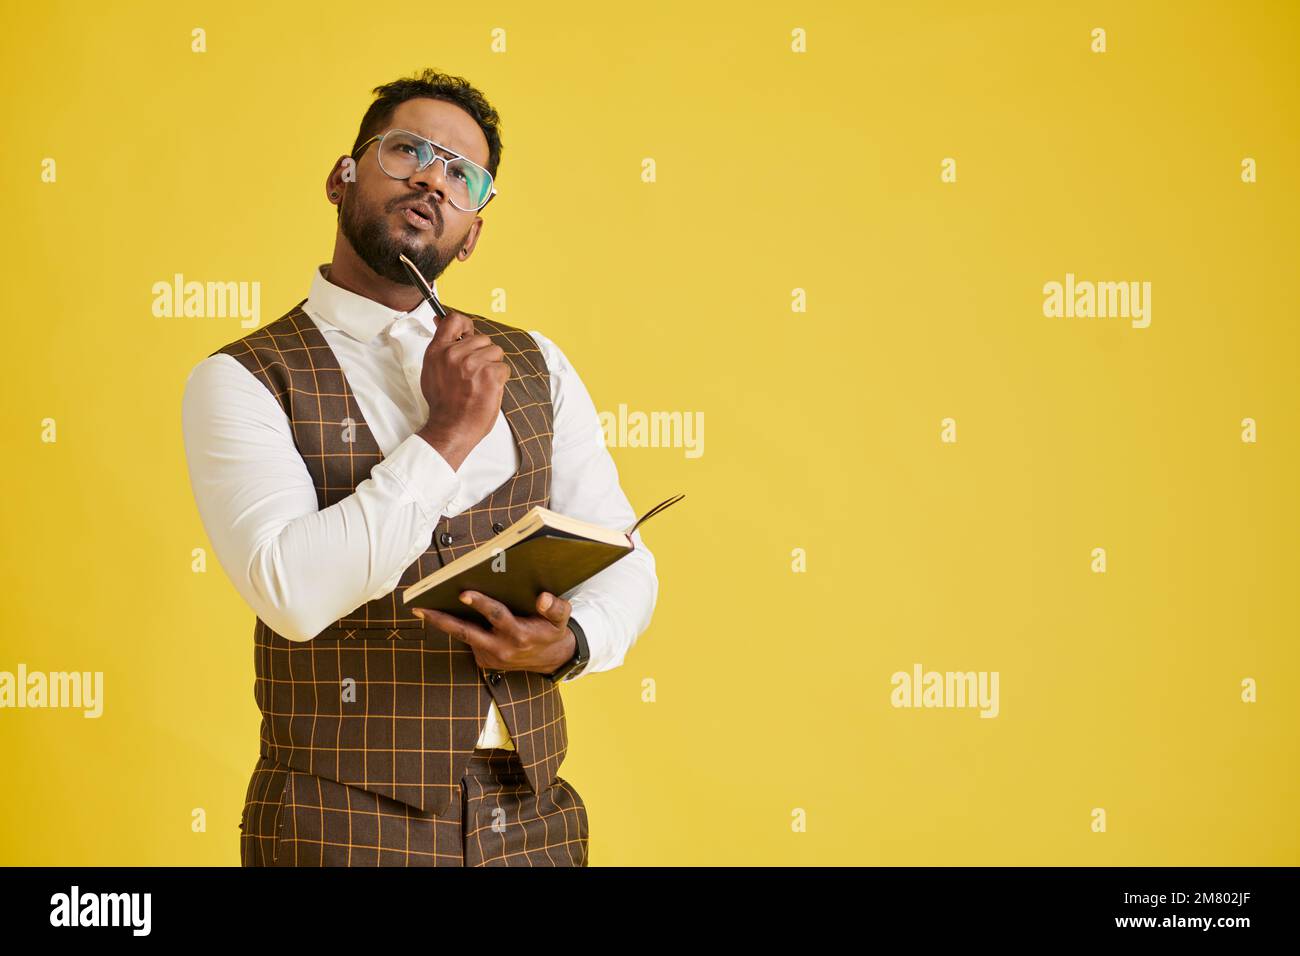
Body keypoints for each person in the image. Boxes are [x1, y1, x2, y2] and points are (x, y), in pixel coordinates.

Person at [181, 68, 658, 866]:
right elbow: (293, 595)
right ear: (342, 178)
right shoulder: (242, 378)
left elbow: (623, 555)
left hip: (533, 819)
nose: (433, 177)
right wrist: (447, 433)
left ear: (471, 233)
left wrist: (572, 643)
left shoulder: (536, 363)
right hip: (336, 825)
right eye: (409, 151)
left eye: (460, 174)